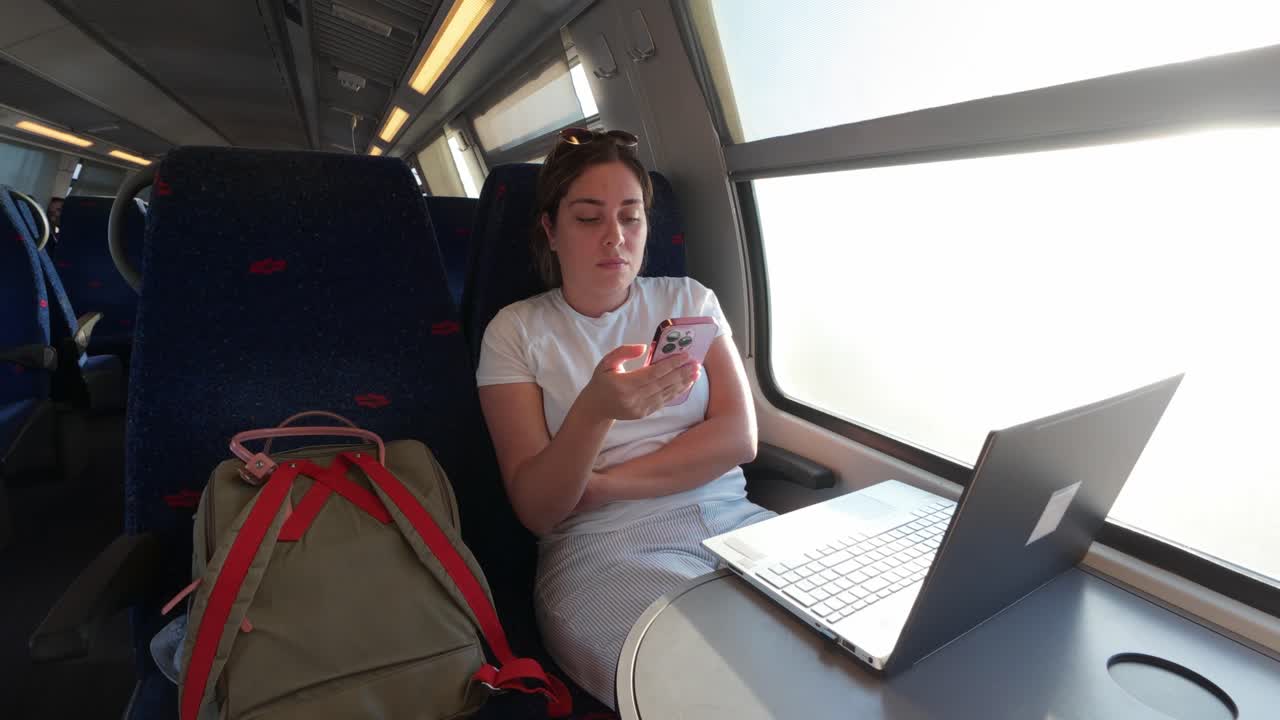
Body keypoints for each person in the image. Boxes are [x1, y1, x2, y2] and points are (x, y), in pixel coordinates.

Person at [476, 127, 774, 708]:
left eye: (630, 217)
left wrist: (599, 485)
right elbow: (539, 507)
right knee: (714, 691)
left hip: (731, 518)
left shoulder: (689, 300)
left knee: (841, 640)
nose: (614, 237)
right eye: (589, 218)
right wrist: (594, 411)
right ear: (551, 229)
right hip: (602, 550)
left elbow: (739, 438)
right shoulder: (516, 331)